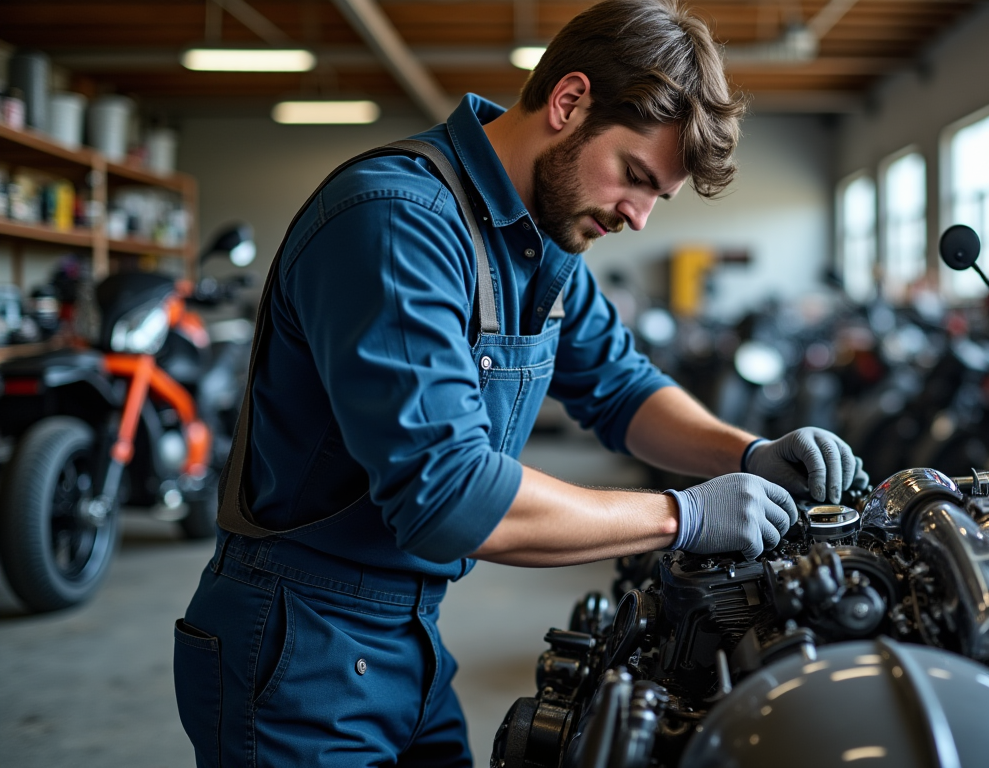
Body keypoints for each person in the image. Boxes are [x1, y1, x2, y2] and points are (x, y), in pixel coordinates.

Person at [173, 1, 866, 765]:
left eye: (656, 198)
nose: (638, 218)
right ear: (568, 103)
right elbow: (449, 498)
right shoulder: (399, 221)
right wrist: (684, 516)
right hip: (298, 642)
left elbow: (621, 388)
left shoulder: (542, 241)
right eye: (634, 176)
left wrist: (748, 453)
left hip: (409, 636)